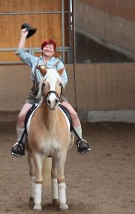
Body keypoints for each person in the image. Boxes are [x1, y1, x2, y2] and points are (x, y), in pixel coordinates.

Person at [9, 23, 91, 157]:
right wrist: (23, 35)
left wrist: (53, 88)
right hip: (35, 94)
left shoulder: (58, 64)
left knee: (73, 114)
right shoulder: (35, 61)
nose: (48, 49)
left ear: (54, 51)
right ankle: (20, 143)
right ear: (42, 49)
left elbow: (64, 80)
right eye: (46, 47)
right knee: (21, 116)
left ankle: (81, 141)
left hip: (54, 94)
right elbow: (21, 52)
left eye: (51, 47)